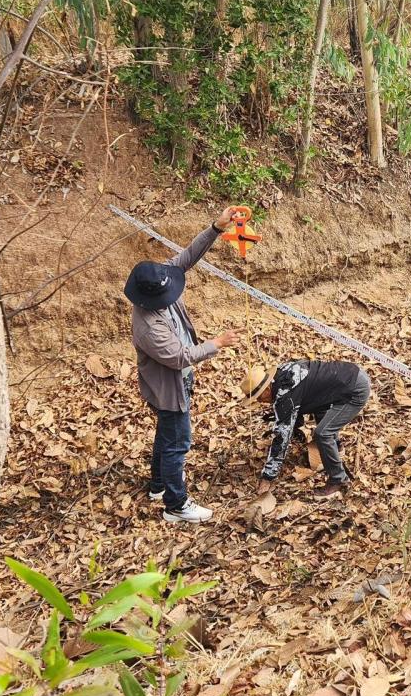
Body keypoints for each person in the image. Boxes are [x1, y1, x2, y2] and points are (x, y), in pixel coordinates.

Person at [125, 208, 242, 524]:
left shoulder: (158, 281)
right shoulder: (148, 326)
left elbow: (186, 258)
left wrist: (216, 228)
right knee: (178, 441)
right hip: (168, 389)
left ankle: (158, 486)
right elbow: (179, 357)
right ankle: (176, 505)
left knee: (166, 434)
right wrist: (217, 343)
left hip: (174, 385)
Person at [242, 360, 371, 499]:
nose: (260, 401)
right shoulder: (283, 374)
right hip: (349, 375)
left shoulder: (286, 393)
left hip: (354, 390)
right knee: (320, 406)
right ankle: (336, 448)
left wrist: (268, 476)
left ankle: (338, 480)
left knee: (323, 434)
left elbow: (282, 437)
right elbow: (304, 399)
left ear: (267, 389)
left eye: (259, 397)